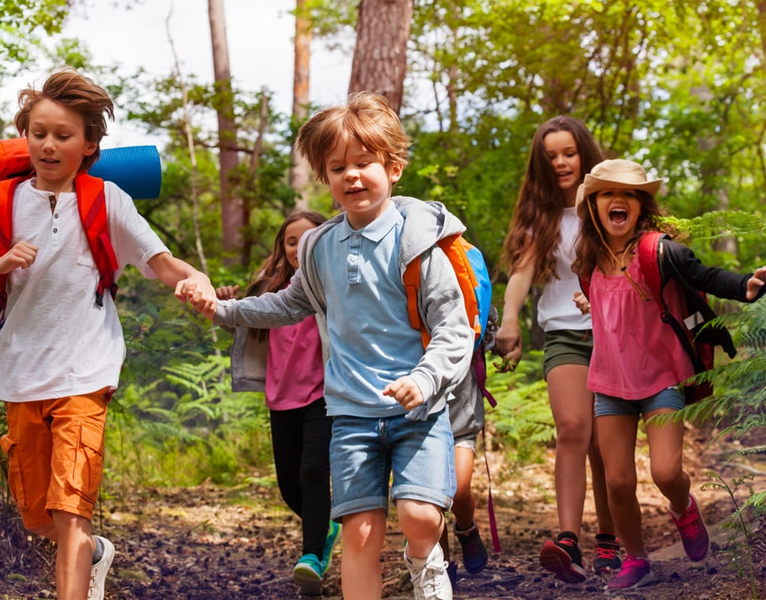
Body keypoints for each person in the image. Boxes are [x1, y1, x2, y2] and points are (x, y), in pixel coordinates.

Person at [189, 91, 475, 600]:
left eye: (365, 163)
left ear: (394, 168)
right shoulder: (320, 246)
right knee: (361, 533)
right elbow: (289, 303)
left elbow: (453, 328)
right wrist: (224, 311)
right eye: (338, 166)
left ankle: (423, 558)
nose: (352, 175)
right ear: (325, 176)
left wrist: (424, 379)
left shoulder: (419, 242)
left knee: (420, 516)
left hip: (419, 409)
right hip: (350, 415)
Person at [0, 69, 215, 600]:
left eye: (64, 135)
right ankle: (97, 554)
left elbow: (163, 265)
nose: (48, 145)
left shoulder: (107, 199)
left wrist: (197, 279)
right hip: (20, 373)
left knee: (71, 508)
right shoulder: (4, 200)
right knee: (37, 518)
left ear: (90, 144)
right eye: (39, 133)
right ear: (25, 134)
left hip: (85, 371)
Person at [572, 158, 766, 590]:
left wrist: (746, 285)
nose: (618, 200)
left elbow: (705, 275)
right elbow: (616, 312)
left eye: (628, 194)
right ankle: (636, 560)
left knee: (666, 473)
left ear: (640, 205)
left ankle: (683, 507)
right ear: (593, 206)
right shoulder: (590, 262)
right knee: (618, 480)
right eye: (608, 193)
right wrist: (592, 306)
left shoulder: (660, 249)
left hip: (662, 378)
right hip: (609, 384)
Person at [494, 116, 618, 583]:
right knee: (571, 429)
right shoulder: (540, 214)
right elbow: (522, 274)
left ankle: (608, 538)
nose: (562, 162)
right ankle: (568, 539)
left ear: (584, 154)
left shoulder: (609, 203)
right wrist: (510, 322)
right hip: (565, 333)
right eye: (552, 156)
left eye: (569, 152)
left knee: (604, 447)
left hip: (614, 334)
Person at [215, 211, 341, 596]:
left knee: (312, 473)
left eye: (307, 239)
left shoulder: (331, 285)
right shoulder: (268, 288)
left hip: (323, 394)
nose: (298, 248)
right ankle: (329, 528)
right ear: (282, 247)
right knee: (289, 487)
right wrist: (223, 304)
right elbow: (238, 324)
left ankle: (310, 558)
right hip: (281, 397)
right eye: (291, 241)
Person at [438, 369, 489, 588]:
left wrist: (510, 348)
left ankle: (467, 529)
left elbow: (494, 337)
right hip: (418, 423)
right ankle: (441, 567)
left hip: (461, 420)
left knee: (459, 491)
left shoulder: (468, 331)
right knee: (431, 501)